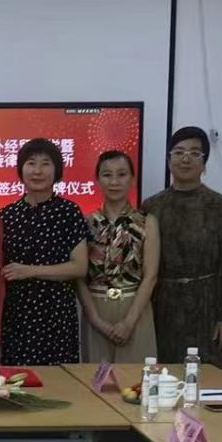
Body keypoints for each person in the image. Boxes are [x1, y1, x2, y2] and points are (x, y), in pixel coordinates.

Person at [141, 126, 222, 370]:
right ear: (169, 160)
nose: (185, 159)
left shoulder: (220, 206)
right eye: (178, 152)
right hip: (163, 306)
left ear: (204, 164)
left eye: (195, 153)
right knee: (162, 374)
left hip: (207, 306)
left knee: (208, 377)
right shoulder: (151, 206)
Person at [0, 138, 88, 366]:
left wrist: (30, 271)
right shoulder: (7, 215)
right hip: (16, 315)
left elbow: (79, 267)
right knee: (18, 381)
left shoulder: (69, 212)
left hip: (57, 315)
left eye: (45, 163)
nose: (37, 171)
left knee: (59, 382)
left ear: (57, 171)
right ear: (21, 169)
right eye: (31, 163)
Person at [76, 150, 159, 363]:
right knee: (96, 379)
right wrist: (96, 319)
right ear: (97, 180)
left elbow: (151, 276)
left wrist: (128, 323)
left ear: (132, 179)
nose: (114, 182)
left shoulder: (147, 222)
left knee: (135, 378)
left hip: (135, 309)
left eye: (121, 175)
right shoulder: (86, 223)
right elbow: (79, 277)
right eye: (107, 175)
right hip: (96, 310)